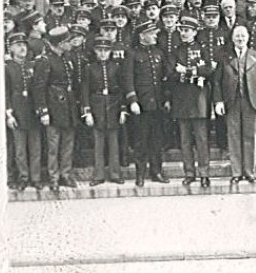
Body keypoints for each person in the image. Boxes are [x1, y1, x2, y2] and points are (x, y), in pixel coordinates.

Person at [213, 26, 256, 184]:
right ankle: (236, 172)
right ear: (232, 38)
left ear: (248, 38)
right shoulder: (224, 57)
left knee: (250, 136)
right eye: (237, 36)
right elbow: (217, 81)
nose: (240, 39)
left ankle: (249, 171)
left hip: (251, 102)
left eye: (243, 36)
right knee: (233, 136)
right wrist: (218, 101)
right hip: (231, 101)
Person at [167, 17, 215, 187]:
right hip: (181, 99)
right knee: (185, 140)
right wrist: (195, 73)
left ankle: (204, 173)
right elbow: (171, 73)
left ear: (195, 32)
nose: (184, 33)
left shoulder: (202, 49)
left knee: (201, 139)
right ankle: (189, 172)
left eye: (187, 30)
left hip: (199, 98)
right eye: (181, 30)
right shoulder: (175, 51)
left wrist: (186, 71)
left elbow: (209, 69)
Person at [32, 25, 79, 191]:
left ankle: (65, 174)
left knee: (68, 142)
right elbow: (39, 88)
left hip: (68, 106)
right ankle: (54, 178)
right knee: (53, 145)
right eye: (67, 41)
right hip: (53, 107)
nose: (70, 44)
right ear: (59, 43)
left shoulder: (68, 58)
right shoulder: (45, 61)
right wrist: (43, 110)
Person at [125, 21, 168, 187]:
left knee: (157, 140)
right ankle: (140, 173)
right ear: (143, 36)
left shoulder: (158, 53)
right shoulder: (133, 54)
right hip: (141, 105)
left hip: (157, 104)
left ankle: (156, 171)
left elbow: (163, 78)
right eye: (152, 33)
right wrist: (133, 100)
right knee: (141, 141)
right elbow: (128, 79)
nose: (155, 36)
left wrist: (166, 99)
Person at [80, 37, 126, 186]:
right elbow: (85, 91)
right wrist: (87, 112)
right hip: (96, 106)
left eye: (106, 50)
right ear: (95, 51)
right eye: (100, 50)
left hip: (113, 105)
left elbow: (121, 89)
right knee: (98, 143)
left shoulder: (117, 67)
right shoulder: (89, 68)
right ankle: (98, 175)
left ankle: (115, 173)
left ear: (110, 52)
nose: (103, 53)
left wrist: (123, 110)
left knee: (114, 142)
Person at [5, 32, 41, 191]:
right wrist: (9, 114)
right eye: (18, 45)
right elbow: (5, 92)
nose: (22, 48)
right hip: (17, 112)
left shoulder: (32, 65)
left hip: (32, 111)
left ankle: (36, 178)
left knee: (35, 148)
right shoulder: (7, 68)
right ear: (11, 48)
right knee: (19, 149)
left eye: (24, 45)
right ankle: (23, 177)